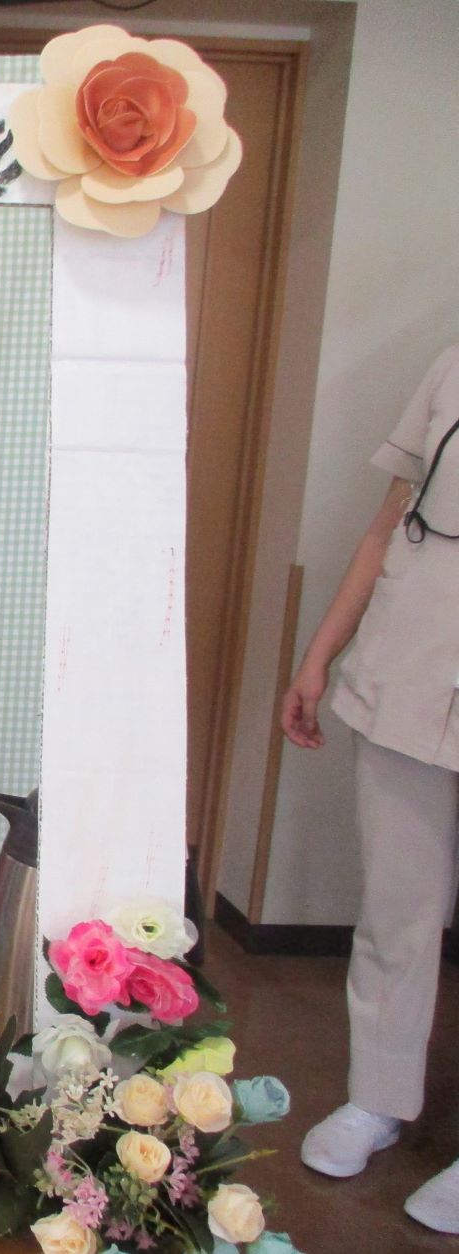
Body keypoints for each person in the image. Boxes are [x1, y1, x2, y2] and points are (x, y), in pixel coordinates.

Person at [280, 343, 459, 1233]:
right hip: (406, 678)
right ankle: (377, 1099)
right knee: (397, 912)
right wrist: (320, 654)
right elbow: (391, 522)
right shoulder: (451, 368)